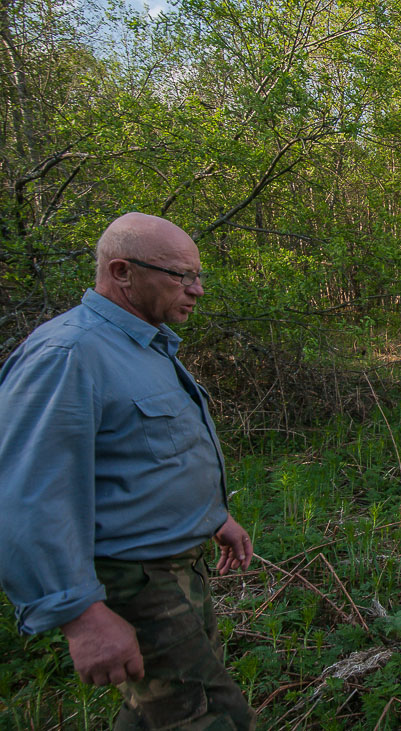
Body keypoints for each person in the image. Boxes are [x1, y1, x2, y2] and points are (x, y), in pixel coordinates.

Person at [0, 212, 257, 729]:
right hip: (134, 582)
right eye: (181, 276)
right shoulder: (68, 354)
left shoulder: (143, 342)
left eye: (198, 275)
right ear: (122, 271)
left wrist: (213, 517)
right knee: (213, 718)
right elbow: (23, 496)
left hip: (179, 570)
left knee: (157, 716)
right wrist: (81, 616)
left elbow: (147, 457)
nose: (197, 290)